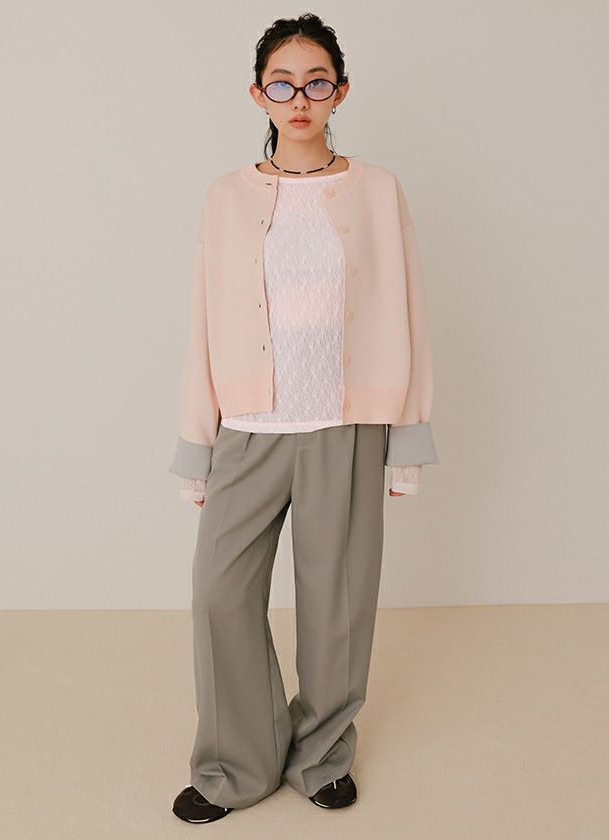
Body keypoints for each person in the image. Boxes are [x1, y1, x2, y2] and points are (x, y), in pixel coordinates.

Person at [169, 12, 439, 824]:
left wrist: (406, 437)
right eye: (281, 84)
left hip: (345, 429)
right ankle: (236, 764)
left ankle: (321, 756)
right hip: (250, 430)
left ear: (339, 92)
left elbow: (407, 310)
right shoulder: (226, 198)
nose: (299, 99)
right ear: (259, 94)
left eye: (316, 83)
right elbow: (205, 321)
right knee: (219, 595)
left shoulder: (378, 190)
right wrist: (197, 444)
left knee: (337, 606)